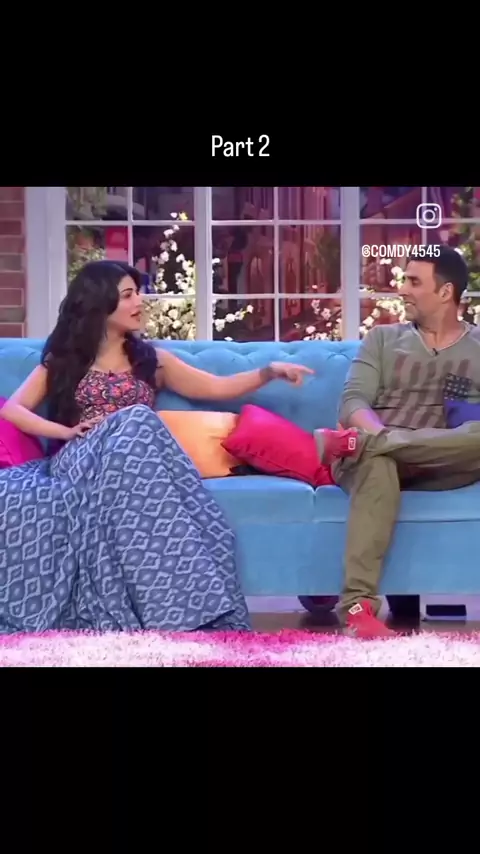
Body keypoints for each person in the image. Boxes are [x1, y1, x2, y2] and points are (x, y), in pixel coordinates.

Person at [0, 260, 314, 634]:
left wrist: (268, 372)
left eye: (138, 293)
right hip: (80, 461)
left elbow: (216, 387)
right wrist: (64, 432)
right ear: (101, 303)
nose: (139, 302)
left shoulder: (151, 361)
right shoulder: (64, 362)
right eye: (128, 295)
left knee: (139, 422)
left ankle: (180, 615)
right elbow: (13, 410)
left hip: (133, 473)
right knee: (137, 418)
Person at [314, 245, 480, 638]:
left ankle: (367, 444)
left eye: (414, 281)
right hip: (375, 462)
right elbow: (352, 402)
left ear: (446, 292)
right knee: (378, 463)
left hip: (443, 462)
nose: (402, 289)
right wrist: (377, 435)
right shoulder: (383, 339)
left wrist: (377, 440)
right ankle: (358, 609)